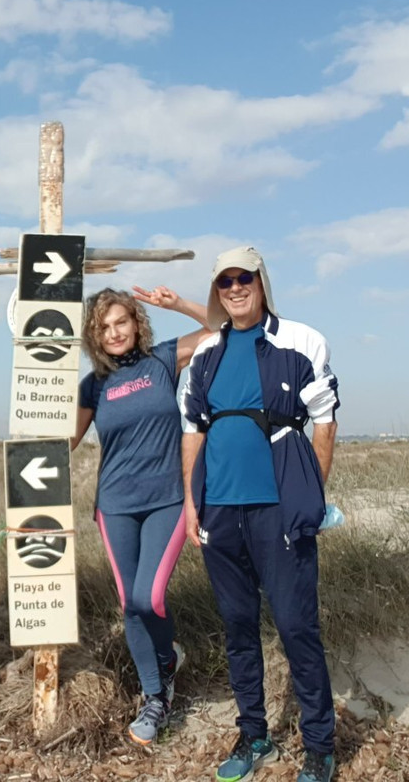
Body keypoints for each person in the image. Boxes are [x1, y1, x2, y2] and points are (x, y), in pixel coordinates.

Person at [181, 247, 339, 782]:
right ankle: (254, 737)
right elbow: (192, 432)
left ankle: (320, 745)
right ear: (217, 291)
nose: (234, 288)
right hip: (220, 511)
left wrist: (309, 493)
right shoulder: (206, 352)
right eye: (224, 281)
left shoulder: (301, 340)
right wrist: (189, 503)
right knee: (238, 627)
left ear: (260, 281)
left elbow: (324, 419)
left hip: (279, 510)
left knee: (297, 626)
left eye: (243, 277)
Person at [72, 285, 211, 746]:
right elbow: (64, 441)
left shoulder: (163, 361)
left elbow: (220, 327)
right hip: (114, 506)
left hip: (169, 499)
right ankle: (156, 696)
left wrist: (177, 304)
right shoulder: (93, 385)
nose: (114, 333)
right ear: (95, 336)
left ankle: (166, 657)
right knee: (128, 603)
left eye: (121, 322)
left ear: (136, 322)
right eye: (104, 327)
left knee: (148, 597)